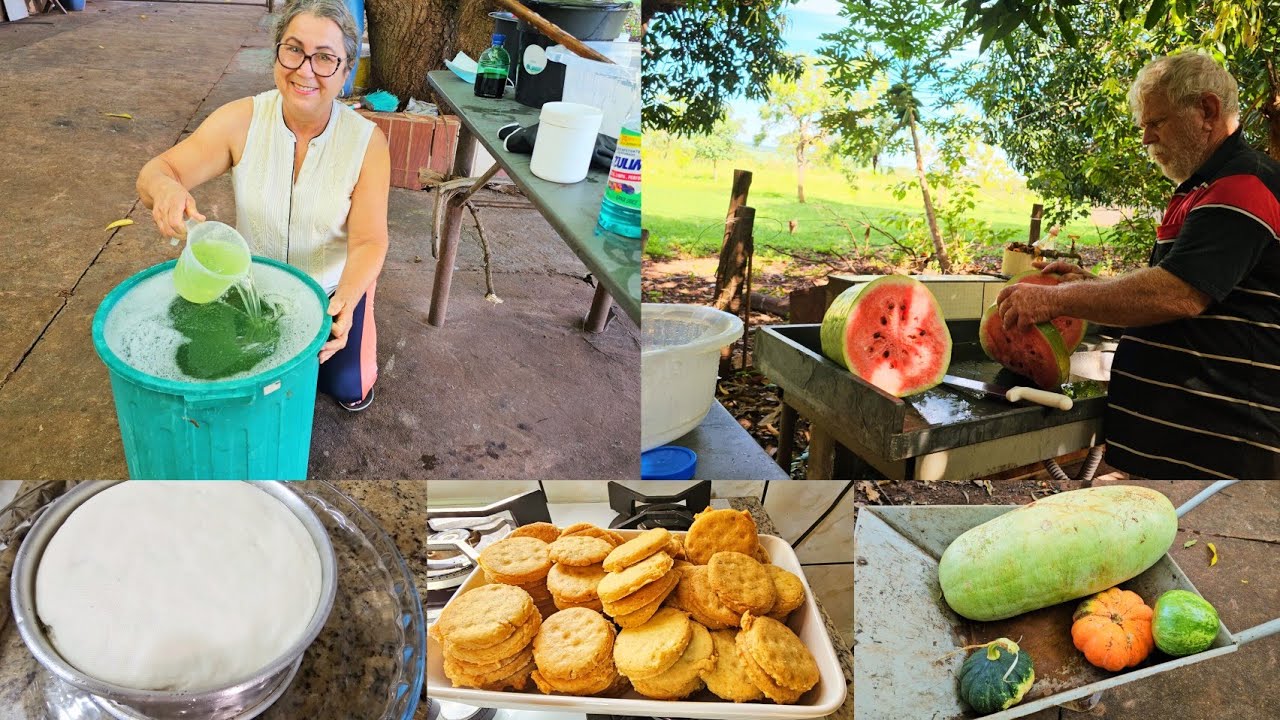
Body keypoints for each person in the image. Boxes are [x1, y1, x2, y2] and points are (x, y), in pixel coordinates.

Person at [996, 51, 1280, 479]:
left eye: (1156, 122)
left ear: (1206, 111)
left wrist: (1058, 298)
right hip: (1183, 444)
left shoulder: (1244, 185)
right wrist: (1092, 286)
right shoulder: (1201, 189)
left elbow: (1178, 294)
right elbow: (1173, 301)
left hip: (1221, 451)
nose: (1146, 138)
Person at [136, 0, 389, 411]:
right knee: (215, 375)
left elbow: (370, 239)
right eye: (293, 49)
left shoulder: (366, 143)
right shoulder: (242, 119)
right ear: (276, 54)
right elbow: (157, 170)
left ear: (346, 73)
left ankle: (364, 300)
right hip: (252, 287)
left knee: (348, 387)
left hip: (328, 287)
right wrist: (165, 189)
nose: (305, 70)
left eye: (325, 58)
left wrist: (347, 297)